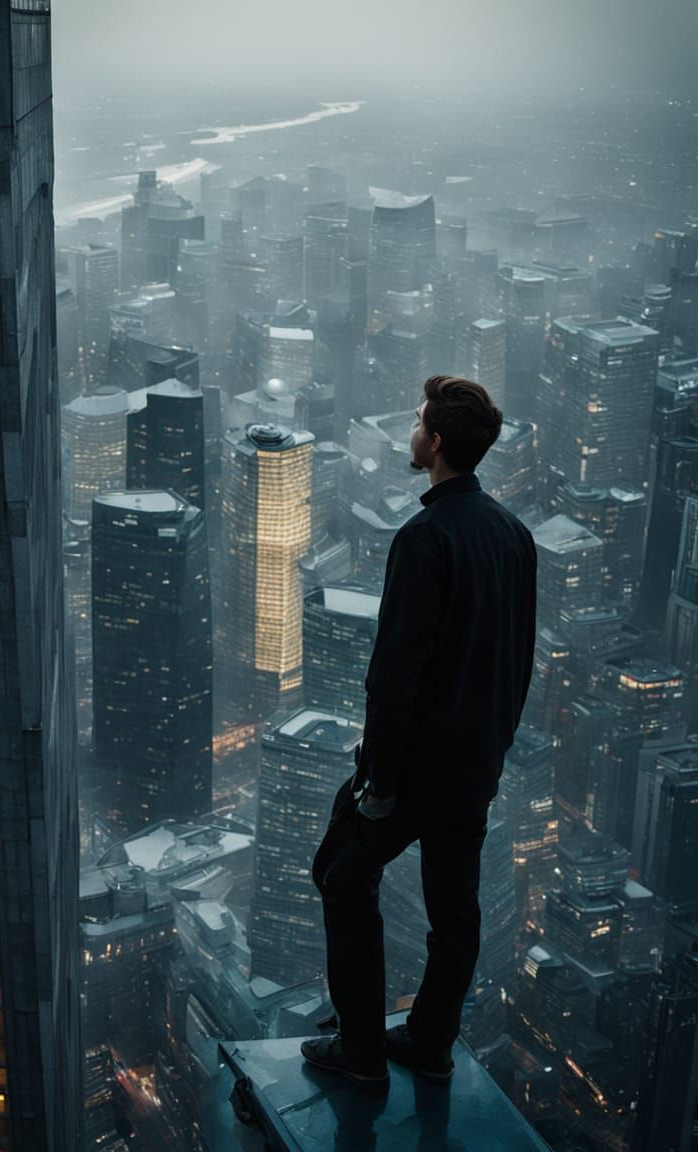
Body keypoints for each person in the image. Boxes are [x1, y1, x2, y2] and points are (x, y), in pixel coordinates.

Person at [301, 374, 537, 1089]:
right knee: (454, 911)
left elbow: (395, 673)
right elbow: (519, 660)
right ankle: (431, 1043)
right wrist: (494, 749)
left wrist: (379, 779)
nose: (410, 431)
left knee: (341, 876)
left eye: (416, 422)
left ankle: (362, 1053)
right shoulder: (514, 535)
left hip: (415, 769)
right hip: (474, 767)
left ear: (434, 443)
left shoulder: (424, 538)